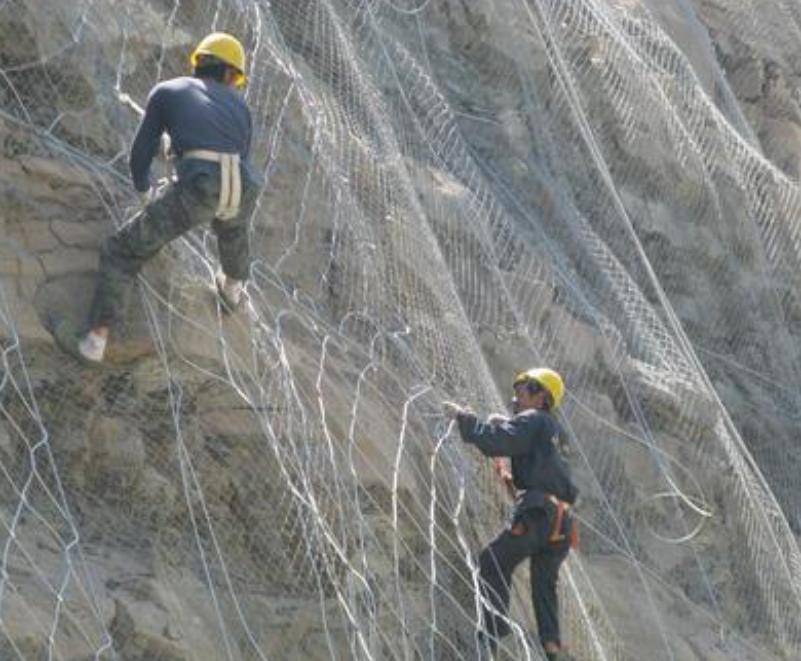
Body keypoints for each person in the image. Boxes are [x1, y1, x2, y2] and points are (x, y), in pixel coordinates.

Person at [53, 32, 257, 364]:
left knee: (121, 252)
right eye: (235, 77)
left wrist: (146, 192)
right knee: (233, 227)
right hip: (244, 185)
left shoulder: (166, 91)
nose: (233, 83)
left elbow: (140, 155)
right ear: (227, 74)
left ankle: (94, 342)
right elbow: (233, 159)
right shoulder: (242, 107)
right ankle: (232, 288)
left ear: (200, 64)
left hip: (198, 188)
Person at [443, 368, 578, 661]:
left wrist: (465, 419)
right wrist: (509, 474)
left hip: (539, 513)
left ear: (542, 397)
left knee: (491, 562)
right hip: (563, 523)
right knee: (544, 586)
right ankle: (552, 649)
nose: (517, 393)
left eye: (525, 388)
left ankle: (490, 636)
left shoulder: (534, 419)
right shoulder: (557, 434)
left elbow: (498, 442)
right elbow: (541, 468)